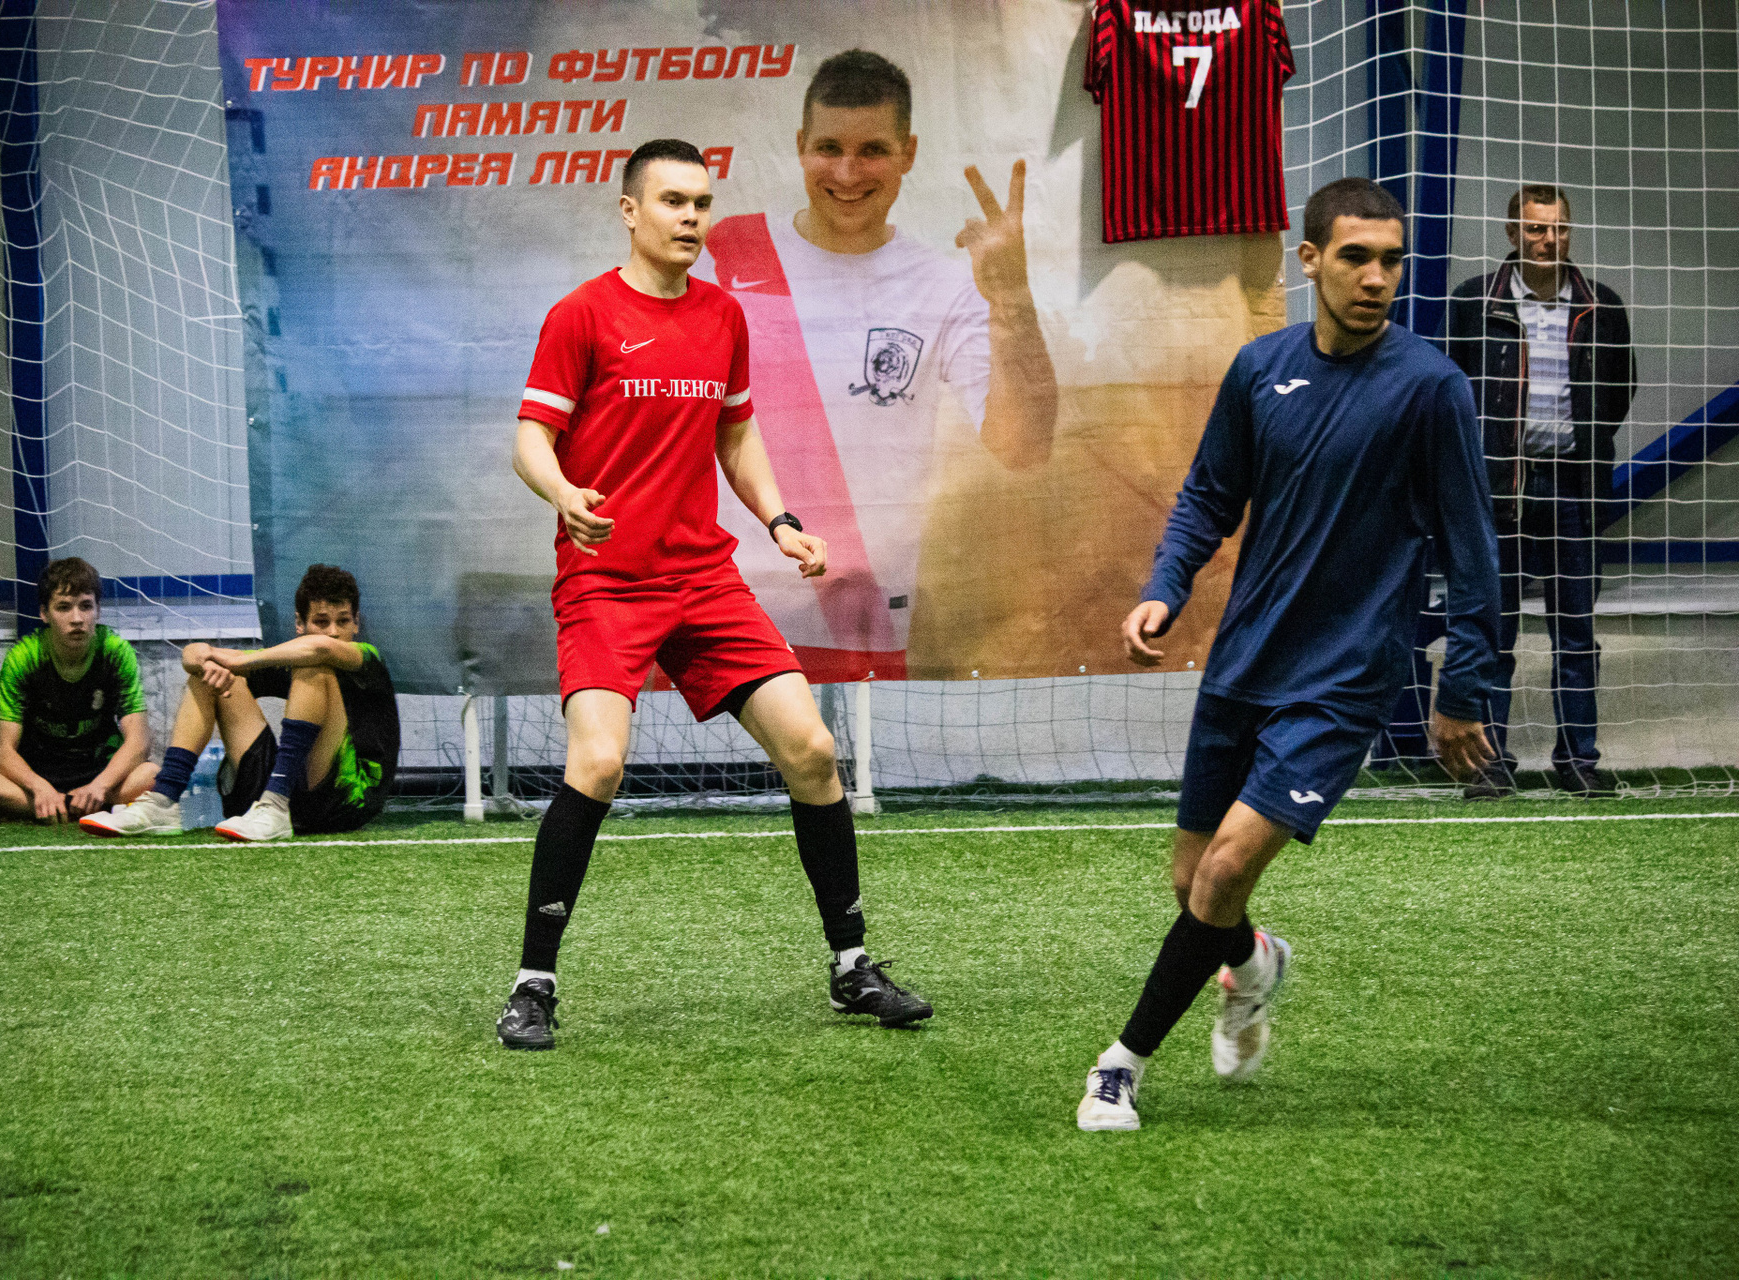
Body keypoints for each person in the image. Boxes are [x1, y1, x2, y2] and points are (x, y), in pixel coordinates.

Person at [1077, 179, 1502, 1132]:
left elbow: (1474, 551)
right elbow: (1208, 496)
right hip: (1243, 664)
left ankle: (1120, 1065)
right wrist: (1164, 588)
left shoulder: (1432, 388)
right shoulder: (1259, 370)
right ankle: (1254, 962)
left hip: (1344, 681)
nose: (1377, 278)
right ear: (1310, 260)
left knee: (1224, 872)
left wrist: (1464, 686)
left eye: (1391, 260)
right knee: (1193, 884)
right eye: (1356, 257)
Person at [498, 137, 933, 1051]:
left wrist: (781, 521)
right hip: (607, 582)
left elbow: (736, 435)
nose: (692, 217)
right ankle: (533, 985)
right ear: (630, 211)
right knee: (598, 764)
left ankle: (852, 966)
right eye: (673, 201)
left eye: (701, 202)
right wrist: (563, 493)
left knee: (813, 749)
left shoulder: (722, 316)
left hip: (703, 579)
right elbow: (531, 437)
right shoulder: (581, 315)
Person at [693, 49, 1057, 679]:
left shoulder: (945, 286)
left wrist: (1013, 300)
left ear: (908, 153)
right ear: (800, 146)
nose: (847, 172)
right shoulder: (725, 251)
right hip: (714, 611)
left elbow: (1023, 446)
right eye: (829, 147)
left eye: (873, 151)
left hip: (858, 625)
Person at [1447, 184, 1635, 800]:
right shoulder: (1473, 302)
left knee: (1575, 632)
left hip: (1574, 488)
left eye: (1558, 228)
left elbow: (1619, 389)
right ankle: (1490, 764)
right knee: (1493, 631)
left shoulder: (1602, 307)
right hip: (1500, 487)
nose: (1548, 240)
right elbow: (1449, 387)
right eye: (1535, 229)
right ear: (1512, 234)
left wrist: (1581, 443)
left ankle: (1578, 761)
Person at [80, 563, 398, 842]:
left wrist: (244, 660)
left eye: (343, 621)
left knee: (314, 666)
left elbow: (320, 649)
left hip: (343, 802)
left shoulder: (367, 660)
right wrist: (204, 658)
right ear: (299, 624)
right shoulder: (293, 656)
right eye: (322, 621)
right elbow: (192, 655)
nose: (334, 633)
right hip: (284, 798)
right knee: (209, 675)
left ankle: (275, 804)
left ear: (357, 623)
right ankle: (164, 800)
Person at [0, 557, 155, 822]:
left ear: (98, 611)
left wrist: (100, 786)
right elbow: (1, 750)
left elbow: (139, 741)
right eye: (64, 607)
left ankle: (47, 810)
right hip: (38, 776)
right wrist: (39, 787)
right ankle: (75, 808)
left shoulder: (116, 652)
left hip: (99, 774)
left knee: (152, 775)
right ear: (44, 613)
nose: (77, 619)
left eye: (85, 606)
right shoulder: (24, 658)